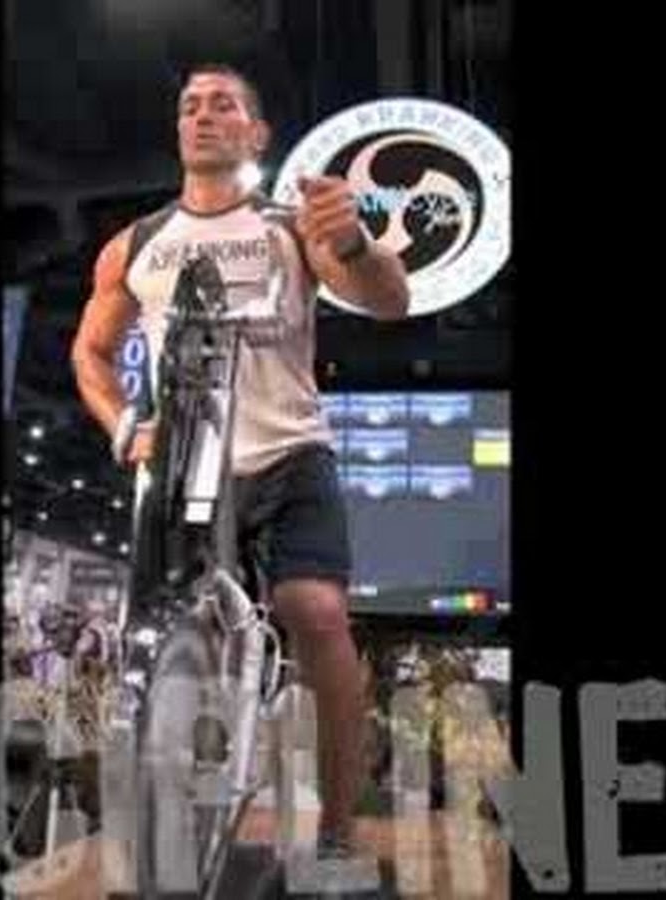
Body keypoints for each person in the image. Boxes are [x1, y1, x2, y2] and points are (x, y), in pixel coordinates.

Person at [71, 63, 409, 858]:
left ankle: (336, 830)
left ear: (256, 135)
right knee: (159, 642)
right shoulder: (137, 245)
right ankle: (167, 798)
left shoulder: (292, 227)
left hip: (289, 453)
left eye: (223, 105)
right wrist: (124, 428)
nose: (202, 115)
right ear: (178, 129)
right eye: (190, 106)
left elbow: (387, 299)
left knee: (314, 612)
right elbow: (89, 351)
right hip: (186, 464)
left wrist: (354, 240)